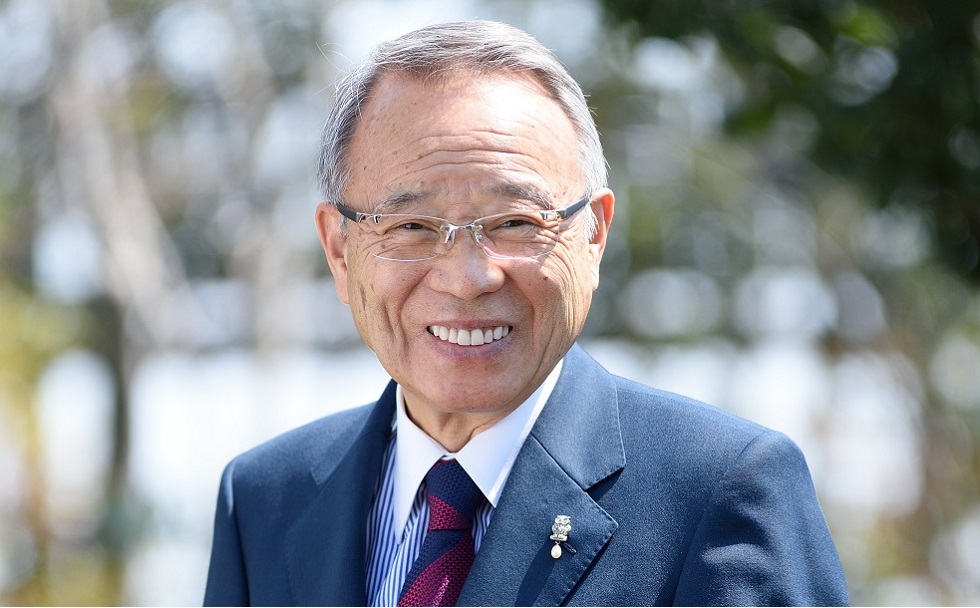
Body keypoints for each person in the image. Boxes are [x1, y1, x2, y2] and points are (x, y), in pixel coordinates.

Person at [204, 20, 849, 607]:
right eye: (411, 227)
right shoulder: (264, 501)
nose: (467, 278)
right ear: (339, 251)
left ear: (593, 235)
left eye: (516, 222)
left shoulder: (722, 492)